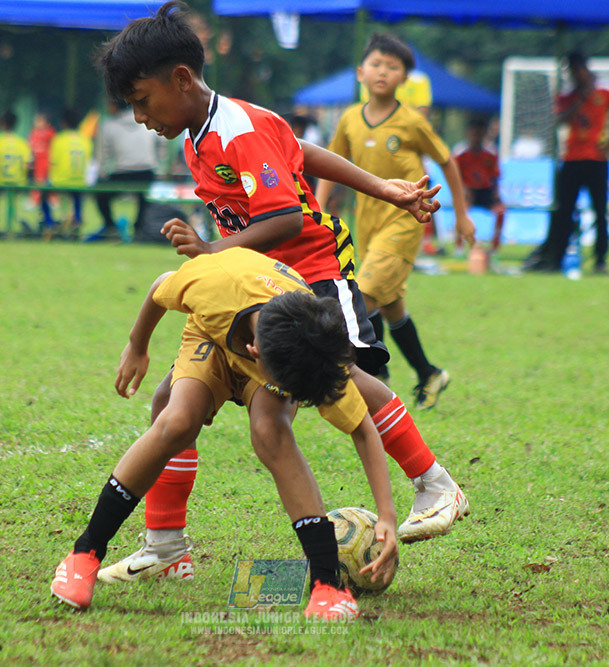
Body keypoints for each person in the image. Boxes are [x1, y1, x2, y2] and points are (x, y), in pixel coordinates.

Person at [91, 2, 470, 585]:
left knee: (346, 380)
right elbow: (300, 152)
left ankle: (435, 485)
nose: (140, 117)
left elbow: (289, 220)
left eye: (143, 100)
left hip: (313, 276)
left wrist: (213, 251)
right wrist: (381, 187)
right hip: (261, 291)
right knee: (173, 400)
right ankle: (165, 545)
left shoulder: (233, 130)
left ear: (181, 80)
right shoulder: (203, 132)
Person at [51, 247, 399, 620]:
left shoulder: (313, 346)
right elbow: (158, 288)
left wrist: (387, 516)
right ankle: (83, 554)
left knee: (272, 432)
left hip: (272, 337)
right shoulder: (212, 285)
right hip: (212, 335)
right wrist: (138, 345)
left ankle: (327, 586)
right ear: (255, 352)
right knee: (177, 420)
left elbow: (362, 429)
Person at [315, 32, 475, 405]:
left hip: (405, 224)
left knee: (363, 295)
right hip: (365, 227)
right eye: (376, 64)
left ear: (405, 78)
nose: (383, 71)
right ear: (360, 72)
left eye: (393, 66)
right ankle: (429, 374)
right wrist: (319, 211)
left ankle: (374, 374)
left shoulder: (411, 122)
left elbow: (447, 160)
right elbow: (329, 166)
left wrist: (462, 216)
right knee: (390, 307)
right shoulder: (350, 120)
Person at [524, 51, 609, 275]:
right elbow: (560, 119)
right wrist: (579, 99)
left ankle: (601, 261)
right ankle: (556, 259)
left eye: (576, 70)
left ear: (584, 68)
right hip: (572, 159)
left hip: (597, 159)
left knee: (601, 211)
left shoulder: (607, 89)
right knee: (564, 211)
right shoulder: (567, 94)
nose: (574, 75)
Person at [90, 98, 161, 242]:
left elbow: (103, 155)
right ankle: (139, 228)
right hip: (147, 172)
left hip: (122, 173)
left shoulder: (109, 126)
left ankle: (110, 227)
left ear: (114, 107)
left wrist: (101, 175)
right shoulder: (146, 121)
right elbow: (161, 143)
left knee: (100, 194)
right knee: (145, 198)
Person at [454, 116, 506, 254]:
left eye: (480, 133)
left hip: (485, 192)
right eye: (474, 132)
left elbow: (495, 177)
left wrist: (496, 196)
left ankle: (494, 248)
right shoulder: (460, 153)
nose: (476, 136)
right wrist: (462, 191)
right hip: (467, 191)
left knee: (501, 211)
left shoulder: (490, 153)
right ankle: (459, 246)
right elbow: (455, 176)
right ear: (468, 133)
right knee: (461, 211)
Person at [43, 109, 92, 237]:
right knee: (77, 195)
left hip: (60, 181)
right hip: (79, 181)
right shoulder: (85, 139)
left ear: (63, 123)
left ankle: (50, 224)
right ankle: (77, 220)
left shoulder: (58, 139)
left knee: (43, 193)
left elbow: (53, 162)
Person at [0, 111, 33, 231]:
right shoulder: (22, 143)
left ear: (2, 124)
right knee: (13, 203)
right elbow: (28, 164)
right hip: (18, 182)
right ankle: (14, 225)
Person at [28, 112, 55, 207]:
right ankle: (35, 200)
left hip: (46, 160)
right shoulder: (34, 133)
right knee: (37, 181)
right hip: (37, 161)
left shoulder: (50, 132)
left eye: (40, 120)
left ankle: (52, 200)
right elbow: (30, 145)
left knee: (47, 181)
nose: (37, 123)